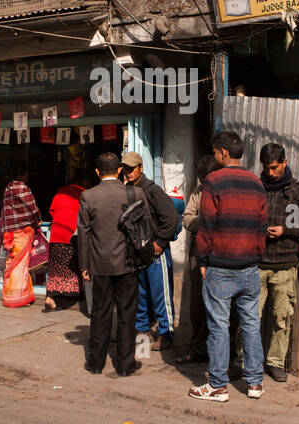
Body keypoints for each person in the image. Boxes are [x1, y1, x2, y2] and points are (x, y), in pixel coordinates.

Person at [190, 130, 268, 402]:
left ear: (222, 152)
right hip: (249, 266)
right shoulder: (257, 183)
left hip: (220, 266)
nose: (214, 156)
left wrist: (202, 260)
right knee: (250, 324)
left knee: (219, 326)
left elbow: (206, 225)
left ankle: (217, 385)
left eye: (215, 152)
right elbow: (262, 228)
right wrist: (256, 254)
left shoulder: (213, 182)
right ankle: (255, 383)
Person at [255, 143, 299, 382]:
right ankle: (243, 361)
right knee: (249, 318)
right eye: (266, 168)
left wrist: (286, 230)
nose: (270, 173)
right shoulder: (255, 187)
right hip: (257, 264)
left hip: (285, 264)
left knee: (281, 318)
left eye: (274, 167)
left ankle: (275, 363)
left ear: (284, 162)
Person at [78, 152, 141, 377]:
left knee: (100, 312)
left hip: (100, 264)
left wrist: (84, 265)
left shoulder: (88, 196)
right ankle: (125, 364)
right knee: (127, 313)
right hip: (128, 263)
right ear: (119, 171)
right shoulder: (135, 193)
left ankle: (95, 362)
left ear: (97, 172)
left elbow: (83, 233)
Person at [121, 150, 181, 352]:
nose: (128, 172)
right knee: (141, 295)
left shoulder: (152, 190)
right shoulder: (127, 190)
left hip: (156, 253)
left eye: (131, 169)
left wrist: (159, 242)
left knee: (161, 295)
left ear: (141, 169)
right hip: (137, 253)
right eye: (125, 169)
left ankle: (166, 334)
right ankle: (142, 332)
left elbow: (171, 218)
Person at [176, 154, 218, 365]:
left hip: (223, 253)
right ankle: (199, 347)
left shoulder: (226, 190)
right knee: (198, 303)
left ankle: (224, 353)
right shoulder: (199, 190)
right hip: (199, 251)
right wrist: (204, 222)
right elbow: (187, 217)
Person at [45, 172, 92, 312]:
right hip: (71, 236)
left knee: (56, 268)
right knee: (72, 268)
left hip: (56, 235)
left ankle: (51, 297)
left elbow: (52, 211)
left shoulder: (61, 191)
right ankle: (64, 300)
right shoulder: (84, 193)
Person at [0, 170, 40, 309]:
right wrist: (38, 220)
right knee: (21, 263)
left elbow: (5, 212)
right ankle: (17, 297)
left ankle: (9, 295)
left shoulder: (7, 189)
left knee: (12, 261)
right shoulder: (23, 188)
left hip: (9, 232)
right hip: (22, 230)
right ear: (22, 175)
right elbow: (32, 208)